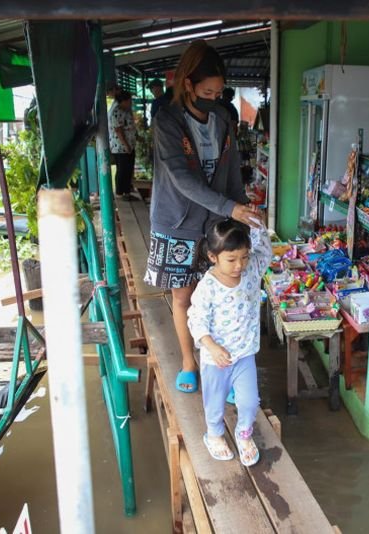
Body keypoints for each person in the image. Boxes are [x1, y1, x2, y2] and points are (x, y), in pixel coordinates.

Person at [145, 40, 261, 395]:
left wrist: (243, 212)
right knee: (185, 298)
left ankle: (223, 367)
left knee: (221, 297)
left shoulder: (223, 119)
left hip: (215, 223)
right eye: (207, 92)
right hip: (176, 223)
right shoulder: (167, 121)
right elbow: (182, 179)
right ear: (188, 85)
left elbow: (231, 173)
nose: (214, 98)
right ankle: (188, 362)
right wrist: (230, 207)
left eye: (219, 92)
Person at [187, 218, 270, 466]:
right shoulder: (208, 287)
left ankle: (244, 434)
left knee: (249, 401)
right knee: (214, 401)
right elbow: (196, 319)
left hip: (244, 354)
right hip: (216, 359)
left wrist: (258, 227)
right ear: (213, 257)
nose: (239, 265)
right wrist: (211, 346)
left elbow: (265, 252)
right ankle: (214, 434)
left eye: (244, 257)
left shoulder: (251, 271)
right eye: (231, 259)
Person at [108, 89, 136, 198]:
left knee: (128, 169)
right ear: (123, 101)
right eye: (129, 100)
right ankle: (120, 193)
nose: (130, 102)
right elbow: (118, 131)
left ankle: (127, 191)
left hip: (129, 145)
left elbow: (130, 126)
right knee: (122, 170)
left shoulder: (127, 111)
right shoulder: (117, 112)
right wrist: (126, 145)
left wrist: (136, 137)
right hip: (120, 147)